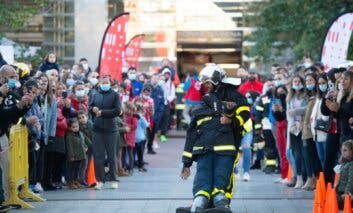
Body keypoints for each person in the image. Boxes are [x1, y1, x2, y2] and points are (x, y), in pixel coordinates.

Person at [177, 64, 249, 213]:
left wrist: (231, 121)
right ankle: (201, 205)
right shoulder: (203, 106)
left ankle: (221, 205)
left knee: (223, 178)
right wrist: (186, 162)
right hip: (207, 149)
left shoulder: (233, 95)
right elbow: (191, 136)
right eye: (203, 83)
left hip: (229, 144)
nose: (205, 86)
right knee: (204, 178)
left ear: (216, 80)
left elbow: (245, 114)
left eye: (207, 82)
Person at [89, 75, 121, 190]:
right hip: (97, 129)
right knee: (98, 156)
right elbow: (90, 106)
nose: (104, 84)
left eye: (106, 82)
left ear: (110, 83)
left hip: (111, 129)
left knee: (112, 155)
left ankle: (113, 178)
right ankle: (100, 180)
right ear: (99, 83)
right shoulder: (95, 94)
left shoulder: (115, 95)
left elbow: (117, 110)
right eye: (102, 82)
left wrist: (102, 112)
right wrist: (93, 109)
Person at [65, 118, 88, 189]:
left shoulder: (80, 134)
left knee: (77, 169)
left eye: (77, 126)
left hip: (80, 156)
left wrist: (85, 147)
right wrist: (71, 156)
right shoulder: (69, 136)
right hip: (74, 157)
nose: (75, 128)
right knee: (72, 169)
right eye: (73, 127)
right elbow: (70, 147)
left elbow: (83, 142)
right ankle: (71, 182)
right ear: (69, 128)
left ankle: (75, 181)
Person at [335, 140, 353, 209]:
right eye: (342, 150)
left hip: (348, 192)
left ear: (352, 151)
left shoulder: (351, 165)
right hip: (341, 191)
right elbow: (340, 178)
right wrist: (335, 189)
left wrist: (347, 193)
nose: (342, 152)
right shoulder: (344, 163)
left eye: (345, 150)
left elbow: (351, 181)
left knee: (338, 204)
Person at [123, 102, 138, 174]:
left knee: (130, 153)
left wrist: (126, 125)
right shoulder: (124, 115)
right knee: (123, 152)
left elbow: (135, 126)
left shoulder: (133, 116)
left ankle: (131, 168)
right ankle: (124, 166)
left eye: (125, 108)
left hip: (130, 136)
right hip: (124, 135)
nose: (124, 109)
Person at [134, 105, 149, 172]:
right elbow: (146, 125)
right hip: (140, 137)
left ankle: (132, 165)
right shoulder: (141, 117)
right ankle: (140, 166)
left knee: (132, 153)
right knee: (140, 154)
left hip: (133, 137)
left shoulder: (132, 116)